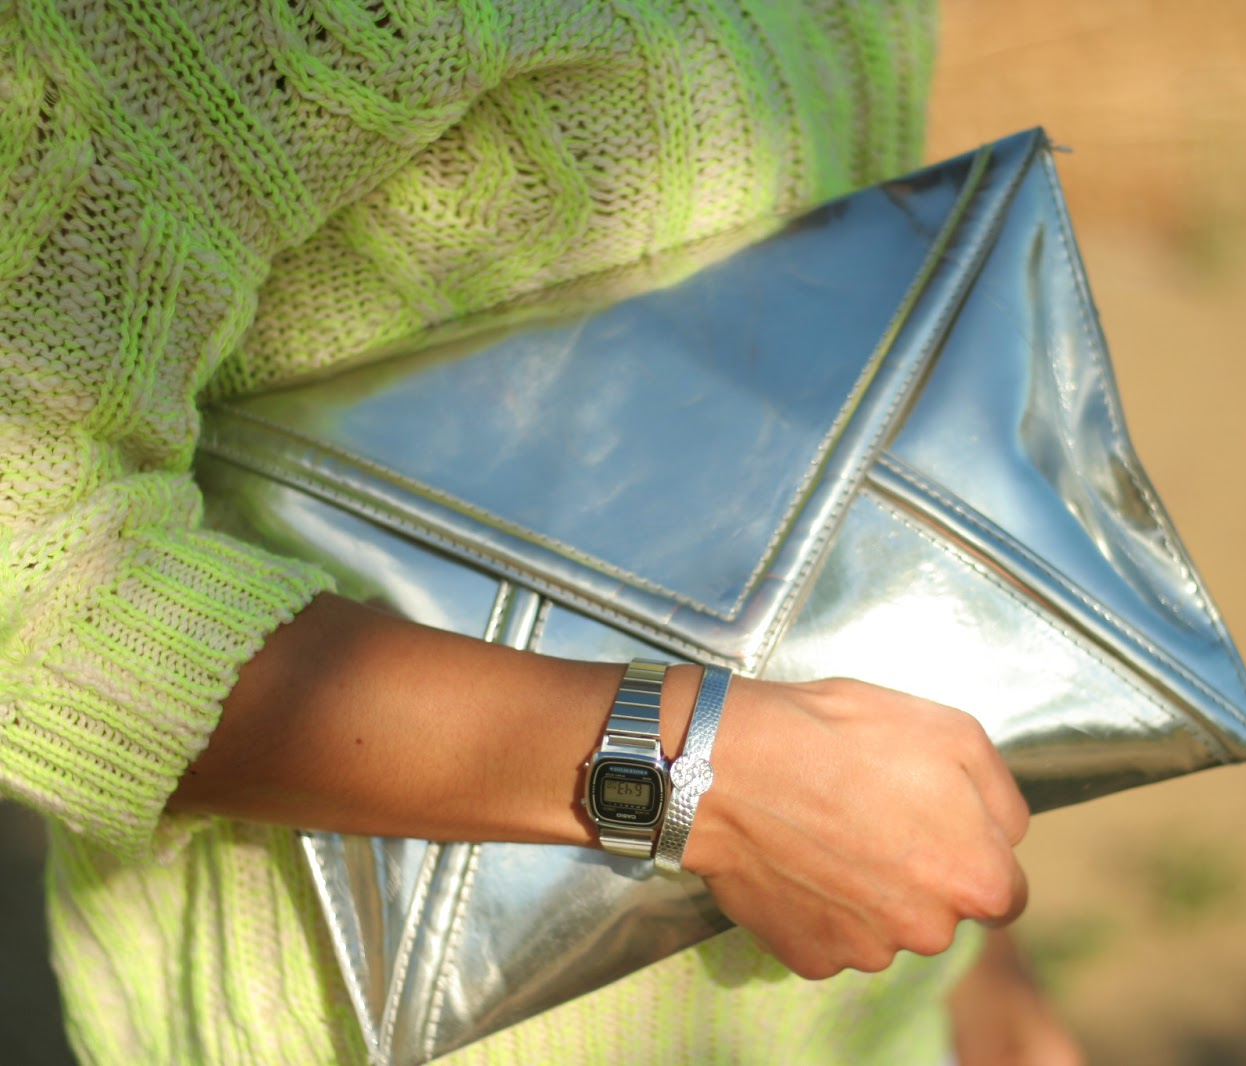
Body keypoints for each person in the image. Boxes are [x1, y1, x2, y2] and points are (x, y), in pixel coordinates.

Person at [1, 2, 1078, 1062]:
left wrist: (972, 938)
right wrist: (688, 773)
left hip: (858, 995)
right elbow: (29, 563)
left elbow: (845, 364)